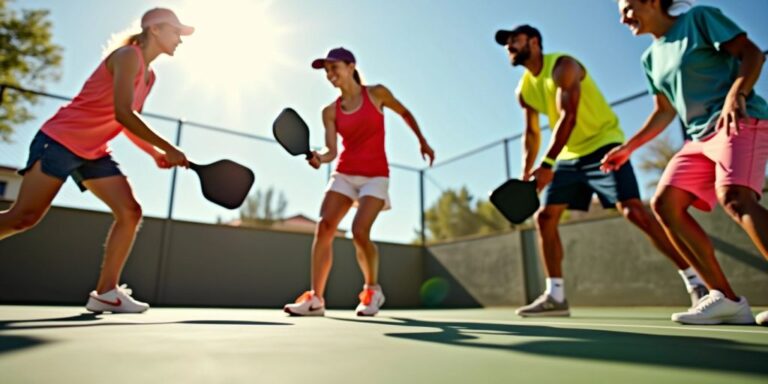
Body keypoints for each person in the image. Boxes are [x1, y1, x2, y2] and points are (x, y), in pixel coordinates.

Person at [494, 25, 704, 317]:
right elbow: (530, 133)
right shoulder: (525, 90)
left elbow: (569, 117)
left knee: (634, 212)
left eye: (514, 40)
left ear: (535, 41)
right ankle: (555, 297)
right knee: (545, 217)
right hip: (568, 156)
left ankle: (697, 283)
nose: (510, 47)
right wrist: (526, 172)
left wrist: (547, 164)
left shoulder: (564, 66)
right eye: (506, 44)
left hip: (603, 145)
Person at [0, 8, 193, 313]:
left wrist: (154, 153)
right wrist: (169, 146)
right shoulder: (128, 56)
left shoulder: (150, 76)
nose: (180, 40)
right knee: (24, 216)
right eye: (176, 32)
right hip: (60, 141)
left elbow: (129, 121)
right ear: (155, 29)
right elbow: (123, 113)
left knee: (130, 212)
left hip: (94, 151)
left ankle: (106, 292)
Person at [604, 0, 768, 325]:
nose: (623, 18)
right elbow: (664, 111)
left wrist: (737, 93)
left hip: (736, 121)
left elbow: (752, 53)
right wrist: (628, 148)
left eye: (628, 8)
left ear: (652, 1)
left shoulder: (699, 18)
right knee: (665, 204)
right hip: (698, 139)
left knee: (735, 197)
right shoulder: (649, 58)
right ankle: (725, 298)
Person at [283, 47, 435, 316]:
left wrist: (422, 142)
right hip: (344, 173)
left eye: (334, 67)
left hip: (375, 176)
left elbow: (405, 112)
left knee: (359, 231)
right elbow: (332, 151)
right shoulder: (329, 112)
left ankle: (372, 290)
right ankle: (316, 298)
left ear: (351, 66)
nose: (330, 74)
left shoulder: (377, 94)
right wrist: (320, 157)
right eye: (326, 71)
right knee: (325, 226)